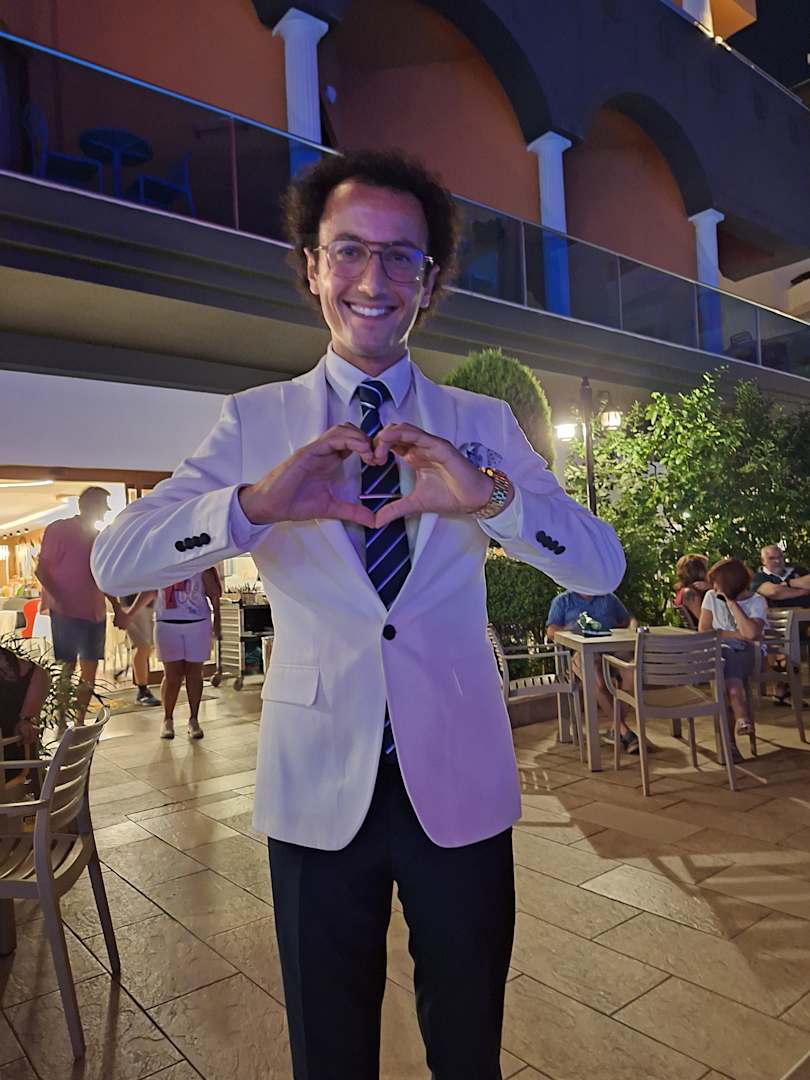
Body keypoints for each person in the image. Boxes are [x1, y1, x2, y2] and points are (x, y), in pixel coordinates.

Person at [91, 149, 625, 1080]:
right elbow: (116, 559)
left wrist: (493, 500)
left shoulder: (483, 424)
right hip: (315, 784)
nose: (372, 280)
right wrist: (251, 507)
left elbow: (600, 563)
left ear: (431, 281)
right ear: (312, 266)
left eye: (400, 256)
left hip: (457, 777)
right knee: (329, 1051)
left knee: (469, 1046)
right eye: (348, 250)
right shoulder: (255, 421)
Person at [35, 486, 119, 724]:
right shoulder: (59, 530)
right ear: (90, 505)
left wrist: (117, 607)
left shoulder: (99, 537)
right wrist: (59, 598)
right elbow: (42, 570)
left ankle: (80, 720)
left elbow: (103, 576)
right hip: (66, 613)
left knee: (89, 671)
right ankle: (63, 717)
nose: (106, 510)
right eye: (103, 505)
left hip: (95, 613)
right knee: (67, 668)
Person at [117, 568, 221, 739]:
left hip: (197, 622)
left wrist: (217, 619)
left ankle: (194, 719)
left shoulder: (201, 561)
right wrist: (130, 613)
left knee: (195, 673)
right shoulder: (162, 562)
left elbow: (213, 592)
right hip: (167, 622)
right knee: (172, 675)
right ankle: (168, 719)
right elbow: (151, 590)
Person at [546, 590, 639, 753]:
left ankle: (616, 728)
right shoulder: (563, 601)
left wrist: (633, 627)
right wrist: (569, 629)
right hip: (581, 653)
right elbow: (551, 631)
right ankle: (624, 730)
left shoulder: (608, 598)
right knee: (596, 676)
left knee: (630, 671)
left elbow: (628, 619)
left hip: (612, 650)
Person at [698, 557, 766, 762]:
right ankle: (740, 714)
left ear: (729, 583)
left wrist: (731, 602)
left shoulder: (756, 601)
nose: (713, 587)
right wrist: (735, 635)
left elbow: (751, 634)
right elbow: (705, 630)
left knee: (724, 669)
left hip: (749, 655)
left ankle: (729, 745)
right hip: (721, 655)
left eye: (717, 583)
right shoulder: (710, 597)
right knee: (725, 659)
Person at [0, 645, 49, 778]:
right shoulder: (36, 673)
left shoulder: (35, 674)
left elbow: (26, 726)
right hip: (12, 763)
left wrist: (25, 721)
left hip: (8, 765)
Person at [116, 594, 160, 707]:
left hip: (150, 601)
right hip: (133, 601)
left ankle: (143, 687)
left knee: (148, 647)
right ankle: (142, 690)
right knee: (143, 646)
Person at [674, 554, 709, 627]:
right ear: (700, 571)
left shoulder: (683, 591)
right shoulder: (690, 593)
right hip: (705, 633)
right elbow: (705, 622)